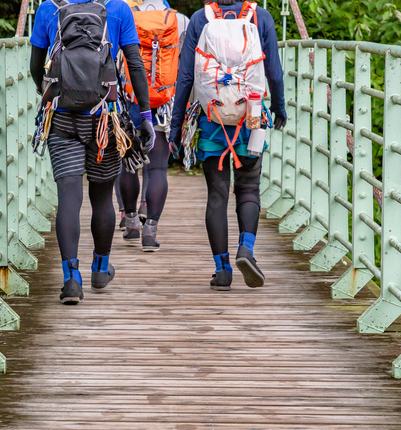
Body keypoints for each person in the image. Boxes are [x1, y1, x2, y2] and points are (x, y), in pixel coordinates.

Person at [30, 0, 156, 304]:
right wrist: (146, 117)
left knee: (69, 199)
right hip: (106, 121)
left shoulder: (49, 8)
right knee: (101, 197)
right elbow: (136, 64)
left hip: (61, 119)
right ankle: (100, 268)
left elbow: (35, 67)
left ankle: (71, 279)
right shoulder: (118, 9)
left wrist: (52, 96)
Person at [168, 0, 285, 290]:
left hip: (212, 117)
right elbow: (274, 71)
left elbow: (186, 77)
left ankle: (222, 270)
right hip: (252, 116)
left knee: (217, 194)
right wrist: (280, 108)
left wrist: (175, 126)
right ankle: (246, 249)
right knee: (248, 188)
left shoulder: (199, 19)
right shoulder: (261, 17)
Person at [117, 0, 188, 250]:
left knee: (128, 165)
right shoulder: (180, 21)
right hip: (164, 102)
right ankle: (151, 232)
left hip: (130, 101)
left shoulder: (124, 15)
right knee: (157, 169)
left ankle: (132, 222)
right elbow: (185, 67)